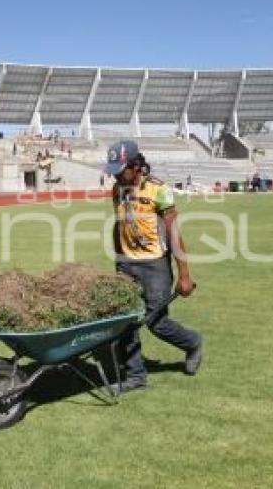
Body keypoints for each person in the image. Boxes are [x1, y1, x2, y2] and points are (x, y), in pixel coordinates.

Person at [103, 140, 202, 394]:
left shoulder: (158, 190)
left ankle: (192, 343)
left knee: (156, 323)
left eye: (120, 169)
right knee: (125, 321)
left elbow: (174, 233)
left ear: (136, 166)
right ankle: (136, 376)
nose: (115, 174)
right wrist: (118, 258)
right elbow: (119, 225)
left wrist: (184, 274)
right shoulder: (117, 190)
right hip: (126, 264)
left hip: (155, 264)